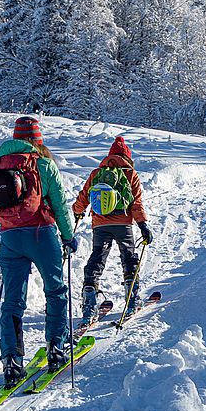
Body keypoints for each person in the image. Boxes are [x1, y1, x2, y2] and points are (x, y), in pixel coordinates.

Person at [0, 116, 77, 385]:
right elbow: (59, 205)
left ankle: (12, 360)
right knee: (56, 291)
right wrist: (69, 237)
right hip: (41, 234)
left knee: (13, 300)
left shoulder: (0, 166)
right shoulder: (44, 165)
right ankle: (56, 348)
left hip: (10, 238)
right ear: (38, 139)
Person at [72, 135, 152, 322]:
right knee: (129, 257)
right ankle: (132, 300)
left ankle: (89, 305)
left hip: (100, 225)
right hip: (123, 224)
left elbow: (84, 196)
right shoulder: (130, 174)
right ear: (127, 157)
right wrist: (142, 225)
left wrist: (77, 212)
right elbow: (136, 204)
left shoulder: (96, 173)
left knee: (97, 258)